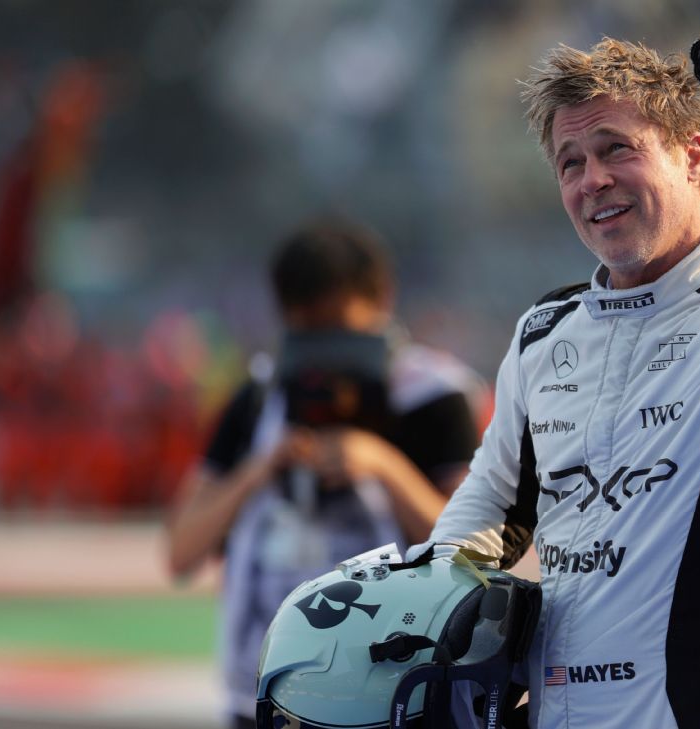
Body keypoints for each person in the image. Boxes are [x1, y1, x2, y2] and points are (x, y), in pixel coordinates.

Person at [411, 8, 700, 728]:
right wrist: (424, 606)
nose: (592, 179)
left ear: (693, 156)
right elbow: (489, 511)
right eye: (571, 162)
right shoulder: (544, 332)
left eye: (616, 149)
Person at [165, 219, 485, 729]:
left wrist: (382, 464)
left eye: (340, 328)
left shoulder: (430, 396)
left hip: (395, 696)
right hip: (266, 694)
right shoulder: (260, 397)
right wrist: (258, 470)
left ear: (382, 302)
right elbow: (181, 551)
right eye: (309, 332)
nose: (326, 352)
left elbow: (474, 553)